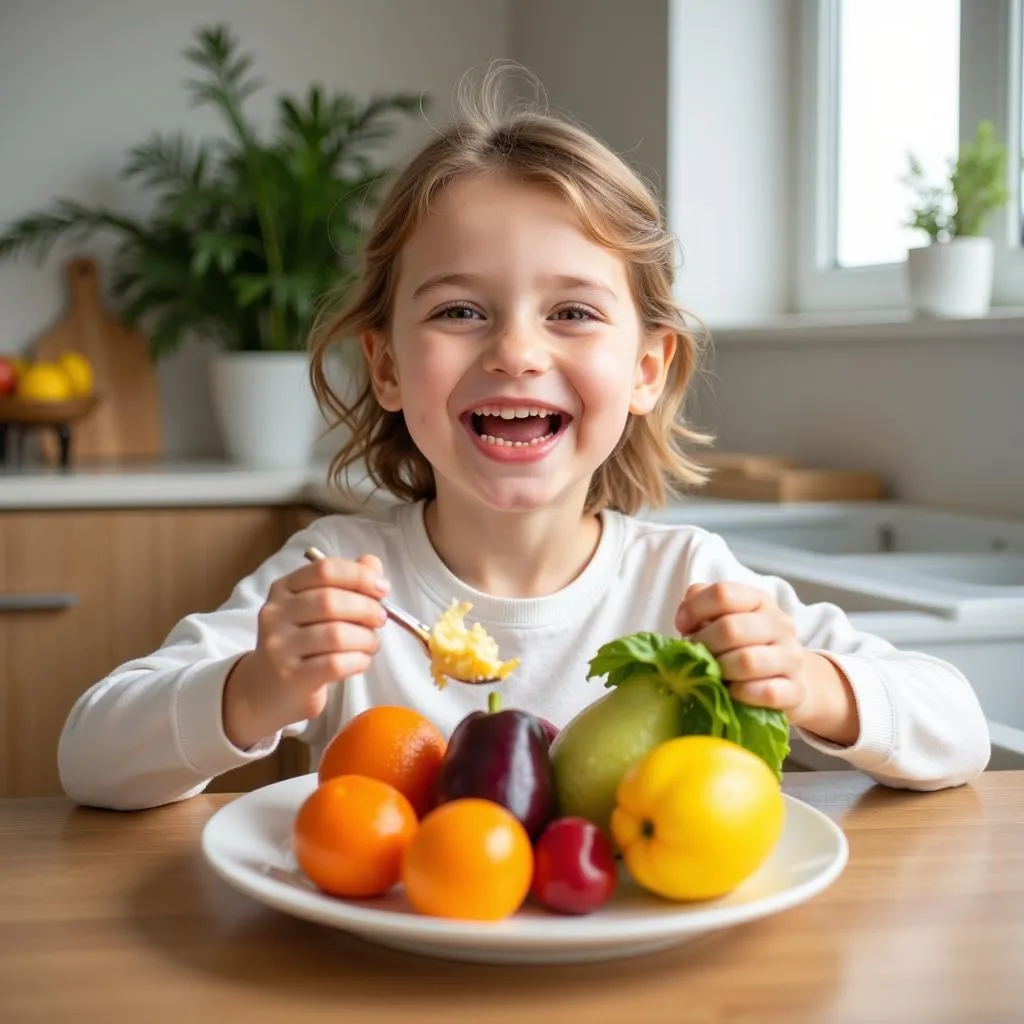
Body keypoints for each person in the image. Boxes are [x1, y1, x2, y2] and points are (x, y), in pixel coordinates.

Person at [58, 69, 990, 811]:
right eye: (460, 310)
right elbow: (90, 754)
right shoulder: (339, 574)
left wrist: (812, 684)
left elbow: (958, 727)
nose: (515, 352)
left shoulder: (688, 584)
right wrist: (253, 689)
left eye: (573, 312)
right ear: (384, 367)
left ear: (646, 369)